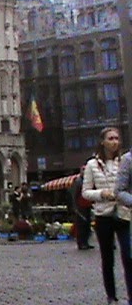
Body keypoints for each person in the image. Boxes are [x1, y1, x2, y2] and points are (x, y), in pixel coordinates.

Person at [82, 127, 132, 305]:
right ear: (102, 142)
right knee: (107, 258)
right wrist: (102, 194)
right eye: (110, 138)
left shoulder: (125, 161)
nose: (114, 142)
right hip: (103, 215)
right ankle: (111, 296)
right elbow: (86, 192)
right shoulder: (92, 165)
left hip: (124, 213)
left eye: (117, 138)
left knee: (128, 256)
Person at [70, 167, 94, 250]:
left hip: (87, 205)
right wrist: (75, 207)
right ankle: (81, 243)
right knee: (81, 226)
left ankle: (85, 242)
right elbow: (74, 195)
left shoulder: (86, 181)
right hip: (80, 206)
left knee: (87, 225)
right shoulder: (78, 181)